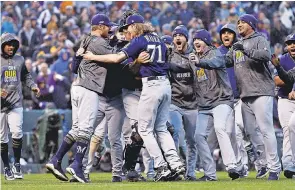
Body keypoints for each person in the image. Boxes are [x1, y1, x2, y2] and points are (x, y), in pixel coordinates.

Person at [83, 14, 185, 182]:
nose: (127, 31)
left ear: (134, 26)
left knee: (144, 129)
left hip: (150, 85)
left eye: (129, 27)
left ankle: (161, 166)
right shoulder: (158, 38)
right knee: (161, 128)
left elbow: (116, 58)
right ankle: (175, 164)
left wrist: (92, 56)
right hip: (165, 85)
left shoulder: (139, 40)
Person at [46, 14, 125, 183]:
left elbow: (74, 67)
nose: (110, 30)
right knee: (86, 130)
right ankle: (76, 166)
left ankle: (56, 160)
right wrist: (119, 40)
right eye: (107, 27)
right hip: (89, 88)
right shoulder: (99, 42)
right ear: (101, 26)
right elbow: (117, 57)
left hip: (77, 86)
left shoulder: (86, 40)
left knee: (77, 128)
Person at [225, 14, 282, 180]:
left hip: (262, 91)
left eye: (242, 22)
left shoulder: (260, 39)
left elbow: (265, 56)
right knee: (251, 132)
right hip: (245, 94)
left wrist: (244, 49)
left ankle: (274, 168)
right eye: (238, 22)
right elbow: (225, 62)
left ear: (251, 24)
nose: (239, 24)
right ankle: (264, 163)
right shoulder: (237, 44)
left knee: (266, 130)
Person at [190, 29, 243, 181]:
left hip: (222, 100)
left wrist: (200, 63)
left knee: (220, 127)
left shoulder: (216, 53)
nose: (196, 42)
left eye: (199, 39)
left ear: (206, 42)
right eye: (194, 40)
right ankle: (210, 174)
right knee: (199, 136)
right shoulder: (192, 57)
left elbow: (217, 63)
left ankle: (231, 166)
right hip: (204, 105)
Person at [218, 23, 268, 178]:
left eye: (229, 32)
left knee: (250, 130)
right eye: (223, 33)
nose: (226, 35)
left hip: (242, 95)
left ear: (235, 35)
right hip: (226, 99)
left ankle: (263, 163)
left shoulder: (243, 48)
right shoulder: (218, 53)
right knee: (234, 134)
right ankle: (242, 167)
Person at [1, 32, 40, 180]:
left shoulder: (20, 59)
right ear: (3, 45)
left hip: (15, 101)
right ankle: (6, 167)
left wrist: (33, 86)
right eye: (8, 44)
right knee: (2, 138)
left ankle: (16, 164)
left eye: (13, 44)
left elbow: (26, 77)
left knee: (17, 133)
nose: (11, 47)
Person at [167, 25, 198, 181]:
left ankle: (191, 172)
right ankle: (176, 169)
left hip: (192, 104)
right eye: (175, 36)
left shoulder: (193, 56)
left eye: (181, 35)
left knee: (192, 140)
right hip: (175, 102)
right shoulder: (169, 56)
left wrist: (195, 64)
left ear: (186, 38)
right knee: (176, 135)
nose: (177, 38)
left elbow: (199, 78)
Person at [271, 33, 295, 179]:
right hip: (285, 99)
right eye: (289, 43)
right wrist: (279, 68)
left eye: (294, 42)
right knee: (288, 130)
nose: (292, 45)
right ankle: (288, 164)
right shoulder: (282, 60)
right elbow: (278, 81)